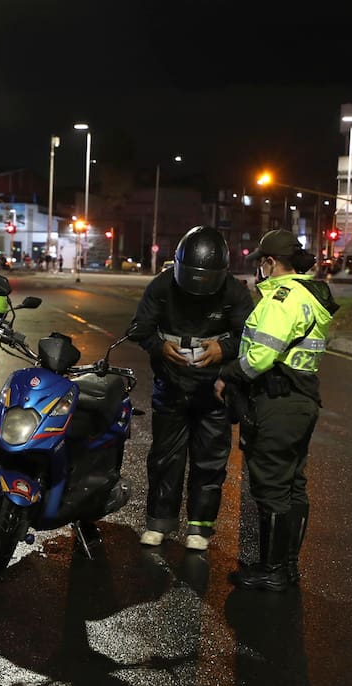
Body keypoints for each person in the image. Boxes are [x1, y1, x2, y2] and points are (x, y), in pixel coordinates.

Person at [215, 229, 339, 590]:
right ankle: (286, 566)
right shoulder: (307, 294)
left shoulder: (281, 299)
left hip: (278, 402)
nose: (259, 269)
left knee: (271, 486)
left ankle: (272, 570)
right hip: (301, 399)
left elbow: (260, 357)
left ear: (270, 263)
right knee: (293, 486)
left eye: (262, 263)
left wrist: (228, 375)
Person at [130, 225, 255, 551]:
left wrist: (223, 350)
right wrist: (160, 347)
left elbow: (250, 336)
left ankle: (200, 527)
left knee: (210, 462)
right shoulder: (162, 287)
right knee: (165, 459)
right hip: (170, 386)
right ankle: (159, 523)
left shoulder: (234, 293)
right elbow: (140, 328)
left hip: (214, 391)